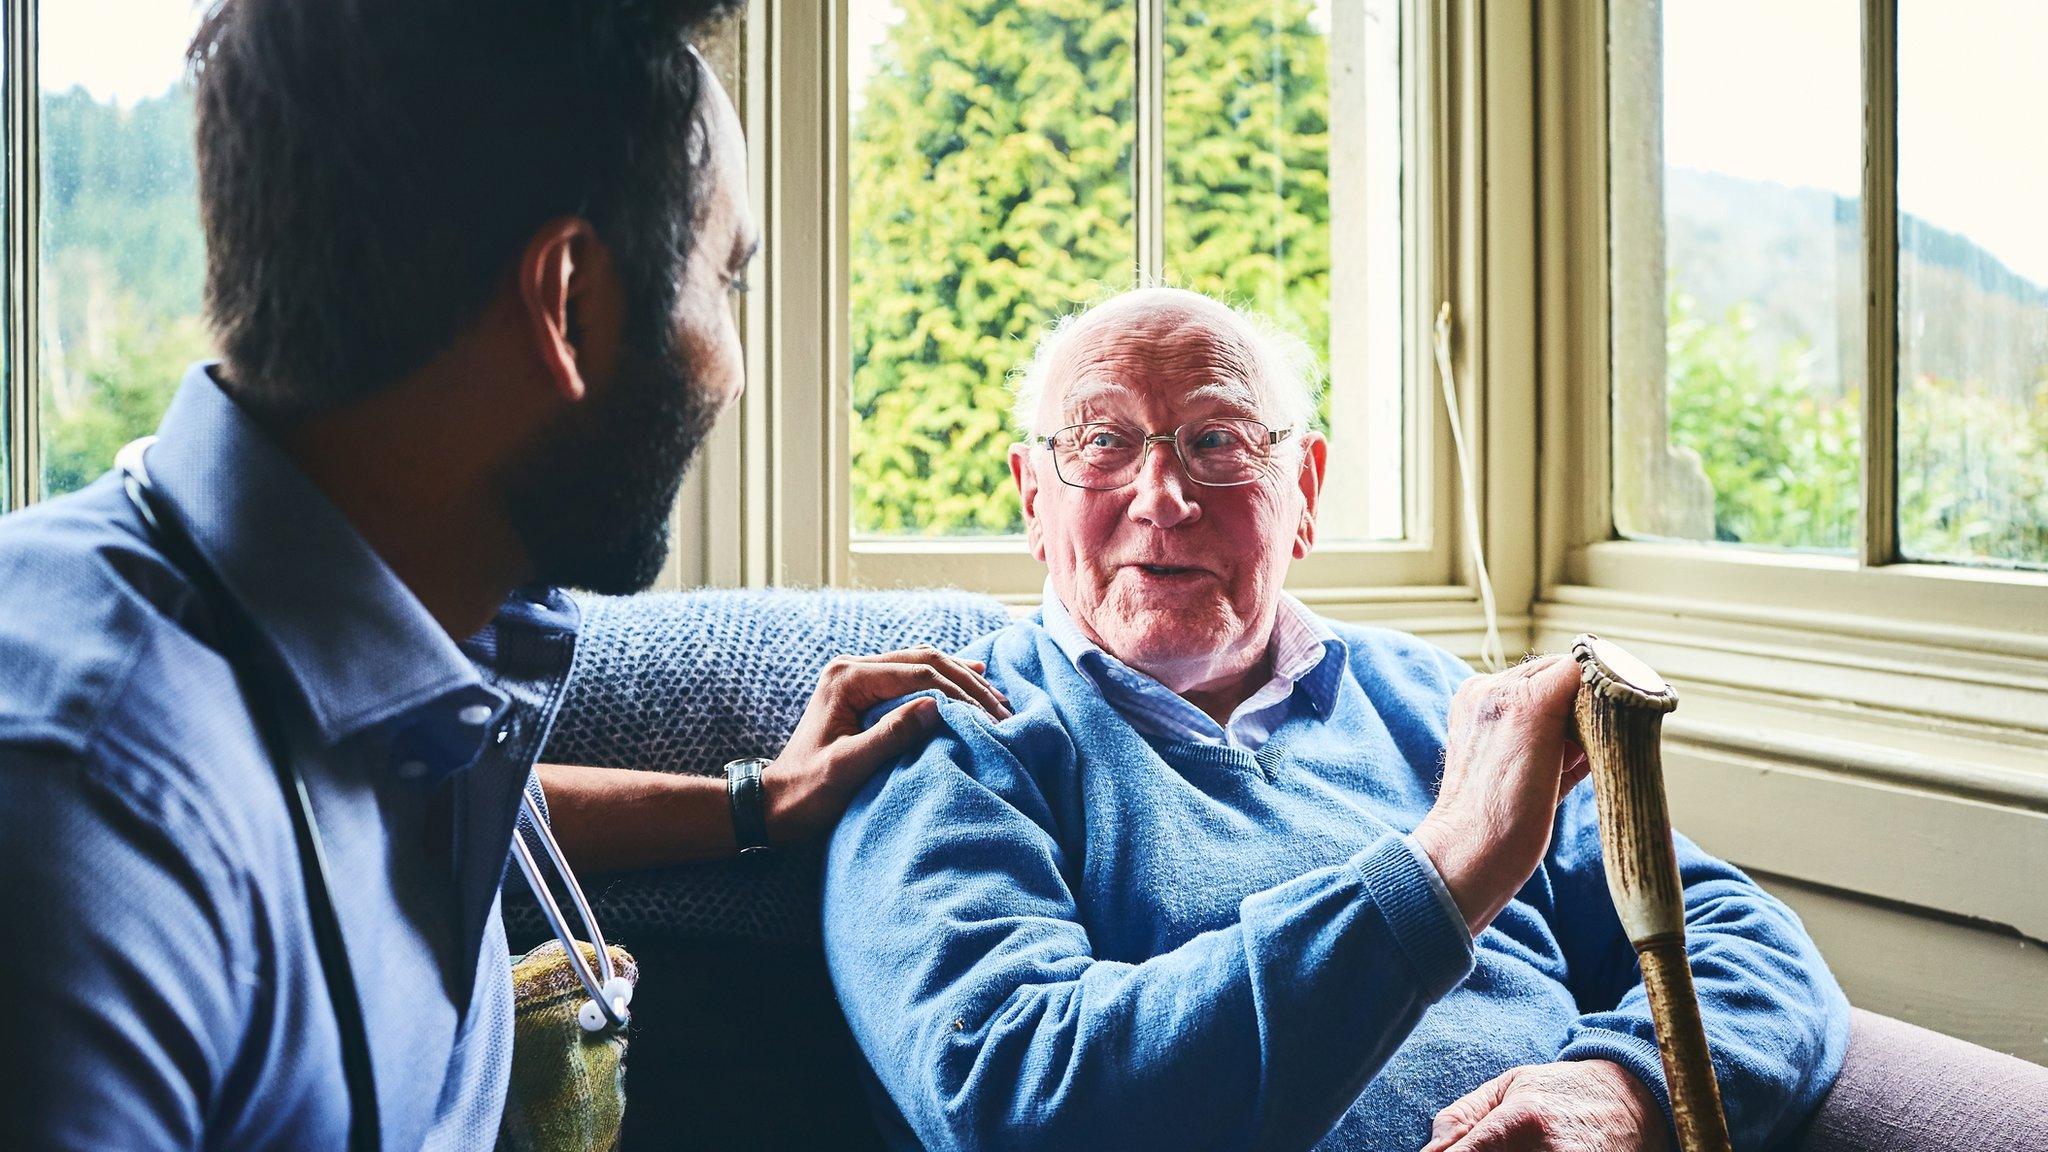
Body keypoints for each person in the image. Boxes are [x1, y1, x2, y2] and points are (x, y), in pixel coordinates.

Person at [0, 2, 1004, 1147]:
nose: (729, 374)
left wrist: (757, 805)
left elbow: (392, 808)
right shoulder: (86, 819)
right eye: (722, 286)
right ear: (568, 304)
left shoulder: (363, 639)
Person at [822, 287, 1851, 1151]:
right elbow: (1008, 1089)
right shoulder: (946, 741)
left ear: (1301, 491)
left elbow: (1744, 939)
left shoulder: (1433, 702)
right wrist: (1442, 871)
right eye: (1102, 443)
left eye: (1216, 441)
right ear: (1031, 503)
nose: (1163, 496)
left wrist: (1626, 1089)